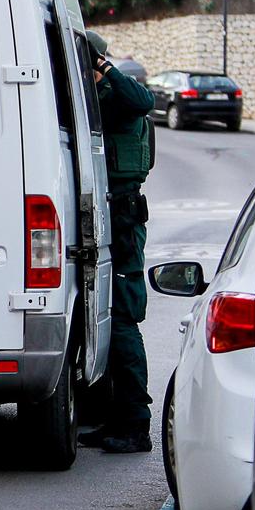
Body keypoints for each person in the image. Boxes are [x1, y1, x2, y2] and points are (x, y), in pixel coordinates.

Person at [80, 33, 157, 453]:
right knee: (103, 313)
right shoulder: (95, 95)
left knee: (124, 317)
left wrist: (104, 66)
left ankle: (135, 423)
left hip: (124, 218)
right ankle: (111, 415)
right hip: (109, 214)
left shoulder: (121, 94)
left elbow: (143, 101)